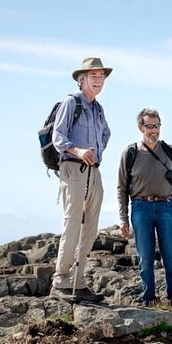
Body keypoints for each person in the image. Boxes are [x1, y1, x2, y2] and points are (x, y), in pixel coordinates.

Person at [50, 57, 112, 303]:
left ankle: (78, 281)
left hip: (93, 171)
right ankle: (60, 281)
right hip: (73, 169)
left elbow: (106, 132)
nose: (98, 81)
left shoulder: (98, 108)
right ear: (82, 79)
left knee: (91, 227)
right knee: (72, 224)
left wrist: (97, 151)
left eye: (101, 77)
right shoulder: (70, 102)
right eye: (93, 77)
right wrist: (78, 151)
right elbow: (58, 135)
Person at [117, 108, 172, 306]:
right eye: (150, 126)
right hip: (140, 207)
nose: (154, 130)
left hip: (167, 207)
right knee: (145, 257)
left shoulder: (170, 151)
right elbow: (121, 187)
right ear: (141, 127)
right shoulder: (129, 153)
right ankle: (149, 298)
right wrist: (123, 218)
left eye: (157, 126)